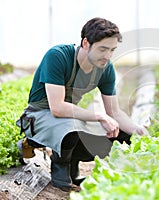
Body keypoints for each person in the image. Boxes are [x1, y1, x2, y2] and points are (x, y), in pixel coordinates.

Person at [16, 17, 148, 192]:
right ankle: (55, 161)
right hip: (38, 116)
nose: (107, 56)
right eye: (102, 49)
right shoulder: (58, 56)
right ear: (86, 43)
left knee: (122, 135)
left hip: (66, 119)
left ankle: (73, 161)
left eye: (112, 50)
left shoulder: (105, 69)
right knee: (73, 124)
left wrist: (138, 131)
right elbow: (57, 108)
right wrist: (99, 116)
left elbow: (114, 112)